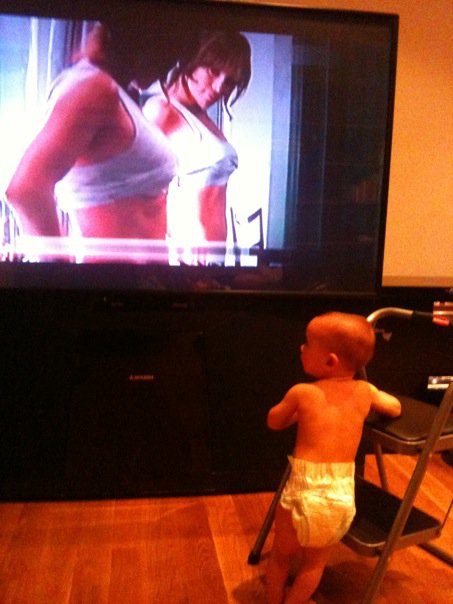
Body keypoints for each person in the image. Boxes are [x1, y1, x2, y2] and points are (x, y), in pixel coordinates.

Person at [5, 18, 197, 259]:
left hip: (143, 277)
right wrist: (59, 270)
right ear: (147, 44)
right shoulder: (94, 87)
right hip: (114, 277)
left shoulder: (116, 92)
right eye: (169, 55)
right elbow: (25, 190)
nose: (168, 68)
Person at [266, 311, 401, 604]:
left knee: (280, 556)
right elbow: (394, 407)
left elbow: (274, 421)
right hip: (340, 493)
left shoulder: (302, 392)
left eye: (307, 343)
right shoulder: (365, 391)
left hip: (303, 489)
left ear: (330, 361)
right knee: (313, 565)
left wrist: (295, 413)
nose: (301, 347)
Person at [141, 31, 252, 265]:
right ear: (194, 59)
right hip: (188, 264)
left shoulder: (196, 113)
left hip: (211, 263)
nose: (220, 87)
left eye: (229, 81)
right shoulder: (161, 111)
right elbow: (141, 199)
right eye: (213, 71)